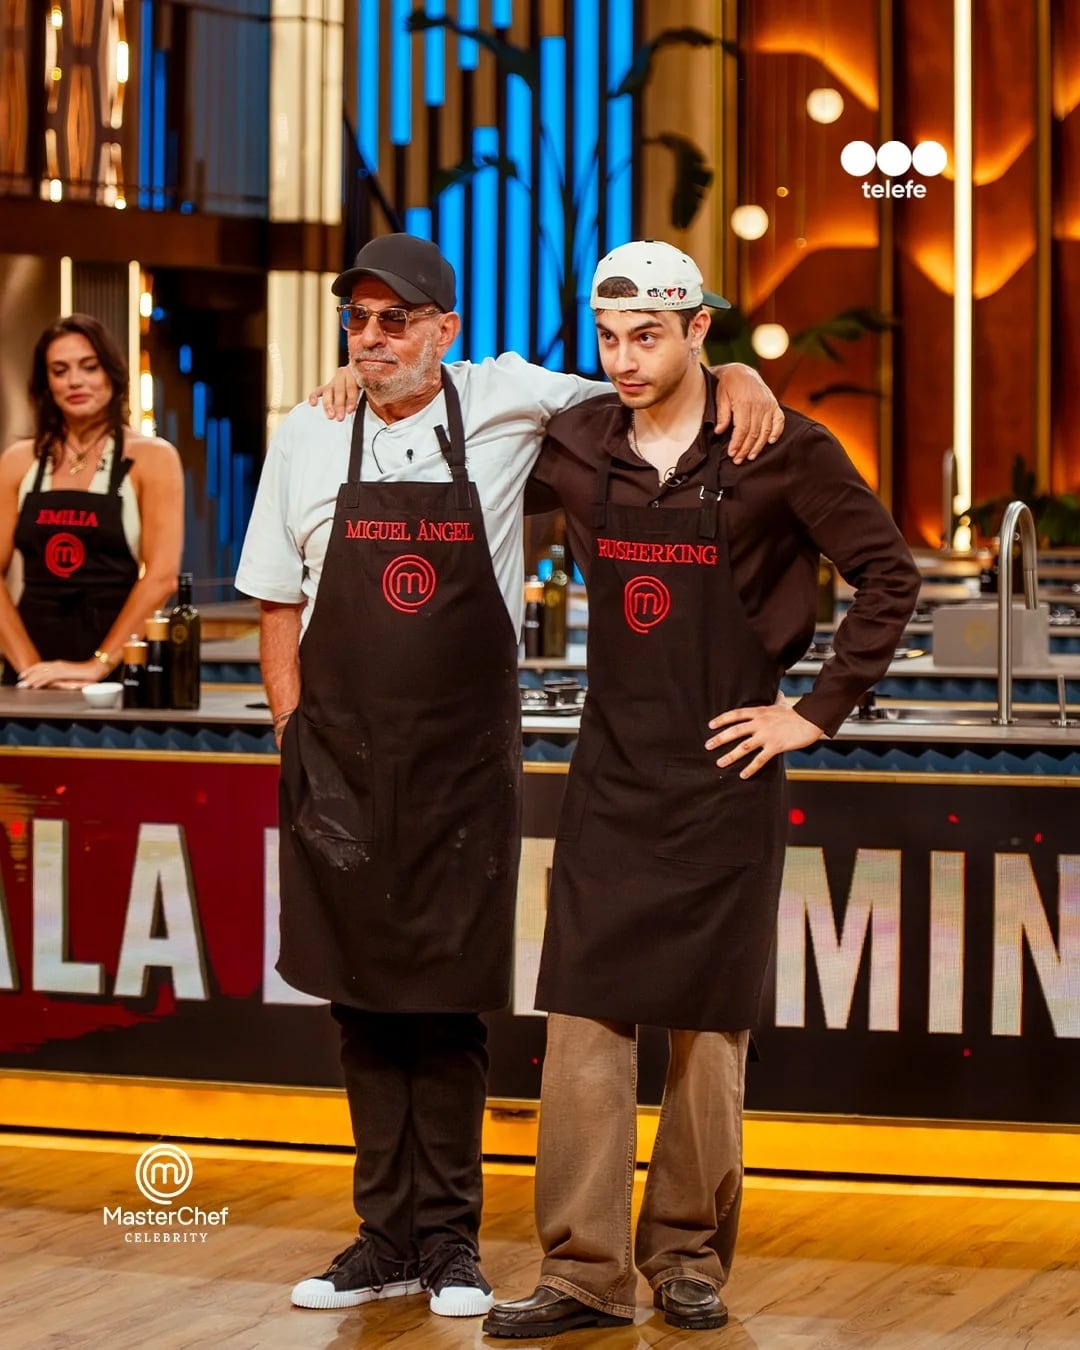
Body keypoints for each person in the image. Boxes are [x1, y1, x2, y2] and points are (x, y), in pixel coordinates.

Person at [234, 233, 784, 1323]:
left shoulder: (508, 398)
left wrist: (736, 372)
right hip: (337, 765)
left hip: (458, 768)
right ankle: (382, 1238)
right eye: (359, 319)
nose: (374, 338)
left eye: (398, 320)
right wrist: (294, 732)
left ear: (446, 330)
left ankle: (448, 1240)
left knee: (447, 1004)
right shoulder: (308, 431)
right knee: (359, 1001)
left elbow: (645, 388)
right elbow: (276, 601)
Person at [482, 240, 921, 1338]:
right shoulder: (579, 440)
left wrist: (811, 713)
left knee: (709, 1031)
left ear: (696, 331)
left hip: (729, 769)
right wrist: (361, 390)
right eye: (608, 337)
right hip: (612, 768)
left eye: (647, 336)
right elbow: (470, 424)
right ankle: (581, 1273)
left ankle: (686, 1259)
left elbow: (888, 574)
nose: (624, 359)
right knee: (583, 1018)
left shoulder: (782, 447)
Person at [0, 314, 183, 688]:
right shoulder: (18, 461)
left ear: (112, 374)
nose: (75, 381)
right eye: (59, 370)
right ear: (46, 383)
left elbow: (161, 578)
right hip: (29, 669)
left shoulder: (154, 458)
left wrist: (97, 666)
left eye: (89, 367)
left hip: (122, 669)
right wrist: (31, 669)